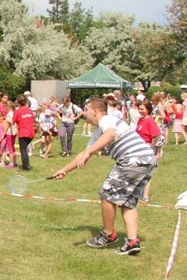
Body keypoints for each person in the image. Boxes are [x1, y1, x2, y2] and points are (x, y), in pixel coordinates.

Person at [53, 98, 156, 256]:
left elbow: (110, 134)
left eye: (86, 109)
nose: (85, 113)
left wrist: (89, 152)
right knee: (128, 202)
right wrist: (65, 170)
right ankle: (132, 242)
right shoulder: (98, 132)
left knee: (107, 194)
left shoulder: (107, 120)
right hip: (147, 160)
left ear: (95, 111)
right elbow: (83, 153)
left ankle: (108, 234)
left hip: (132, 159)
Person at [135, 100, 161, 203]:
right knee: (137, 171)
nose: (140, 111)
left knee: (146, 173)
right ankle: (137, 193)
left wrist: (153, 145)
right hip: (137, 148)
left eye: (142, 109)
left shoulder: (150, 121)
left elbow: (157, 134)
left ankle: (145, 195)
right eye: (139, 109)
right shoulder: (140, 120)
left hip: (145, 149)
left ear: (148, 109)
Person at [14, 95, 35, 171]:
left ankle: (25, 167)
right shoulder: (29, 111)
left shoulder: (17, 111)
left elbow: (14, 120)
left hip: (23, 133)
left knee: (23, 150)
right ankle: (27, 165)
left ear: (18, 103)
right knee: (25, 149)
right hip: (31, 133)